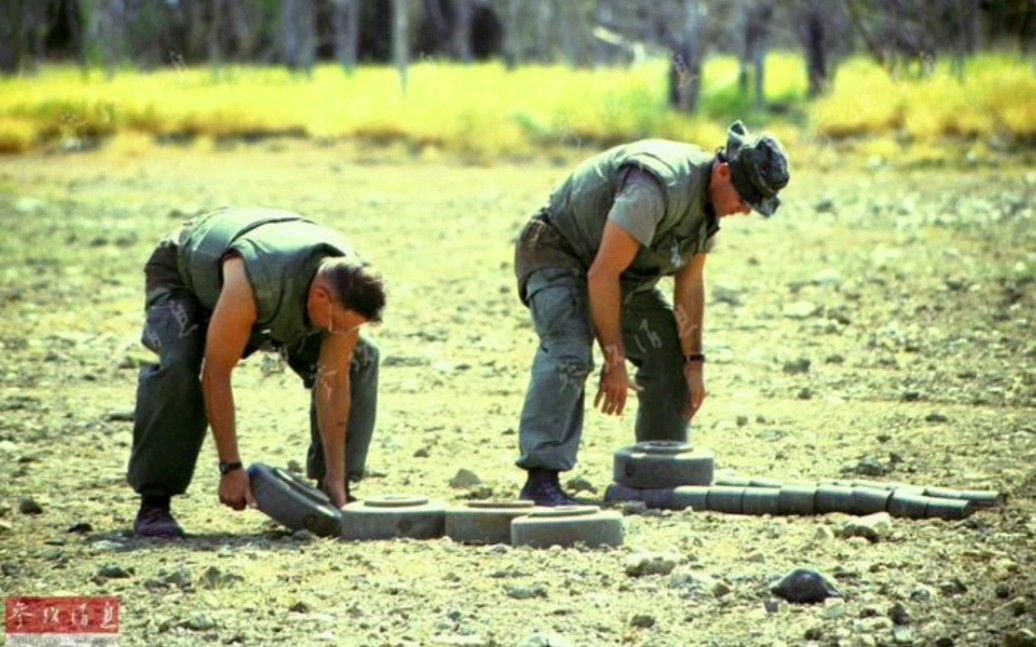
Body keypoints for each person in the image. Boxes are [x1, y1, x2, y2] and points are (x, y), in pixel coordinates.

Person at [513, 121, 790, 506]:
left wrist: (694, 363)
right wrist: (614, 359)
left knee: (670, 356)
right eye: (744, 199)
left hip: (619, 277)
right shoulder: (656, 186)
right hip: (559, 254)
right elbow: (602, 273)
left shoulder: (710, 207)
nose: (743, 211)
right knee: (571, 352)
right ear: (724, 172)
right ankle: (540, 480)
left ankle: (659, 472)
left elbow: (689, 286)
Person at [127, 207, 386, 538]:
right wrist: (231, 468)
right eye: (336, 324)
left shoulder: (345, 284)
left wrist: (337, 475)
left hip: (276, 287)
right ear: (322, 296)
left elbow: (332, 383)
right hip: (187, 278)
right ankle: (154, 503)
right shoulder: (251, 281)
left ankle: (332, 490)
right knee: (180, 364)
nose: (338, 332)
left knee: (360, 358)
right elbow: (216, 374)